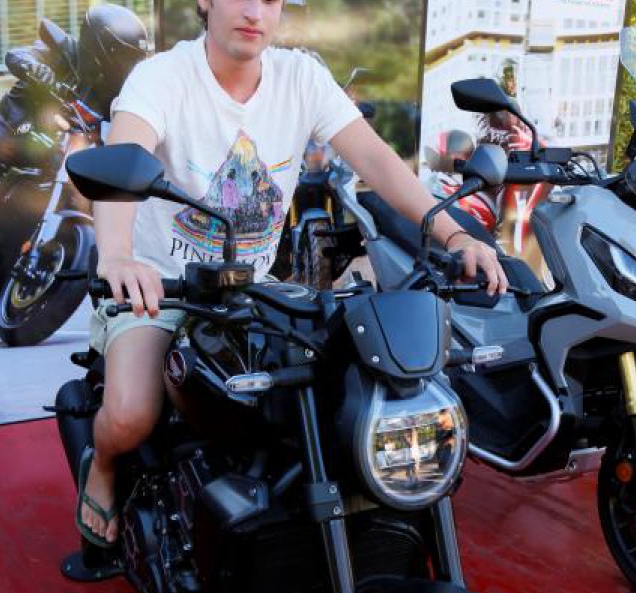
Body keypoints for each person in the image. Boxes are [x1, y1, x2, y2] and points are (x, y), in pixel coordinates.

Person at [77, 0, 508, 546]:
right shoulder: (162, 77)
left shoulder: (301, 77)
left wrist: (455, 234)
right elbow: (124, 155)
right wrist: (118, 255)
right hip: (163, 286)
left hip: (255, 289)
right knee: (130, 415)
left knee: (335, 385)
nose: (254, 11)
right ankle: (103, 466)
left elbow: (376, 160)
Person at [0, 4, 148, 228]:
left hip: (58, 157)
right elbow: (17, 55)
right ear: (102, 47)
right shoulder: (66, 53)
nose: (129, 65)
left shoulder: (118, 95)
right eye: (126, 56)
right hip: (15, 130)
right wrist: (34, 68)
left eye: (135, 58)